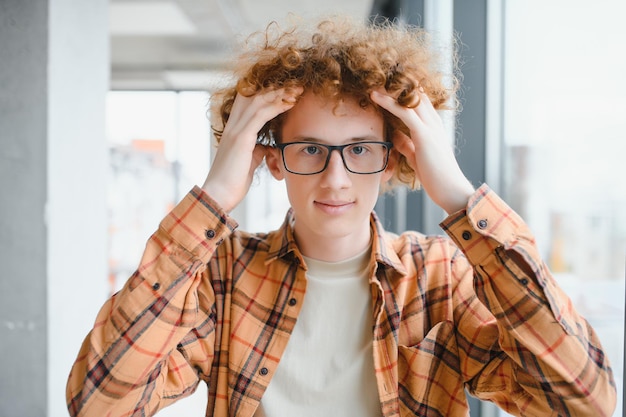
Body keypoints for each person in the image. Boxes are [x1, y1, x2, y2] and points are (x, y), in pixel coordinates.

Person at [66, 15, 616, 417]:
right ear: (273, 159)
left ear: (395, 155)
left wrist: (458, 197)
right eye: (309, 148)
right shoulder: (224, 274)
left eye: (359, 149)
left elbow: (584, 401)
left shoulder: (438, 276)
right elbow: (99, 405)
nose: (335, 179)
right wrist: (213, 198)